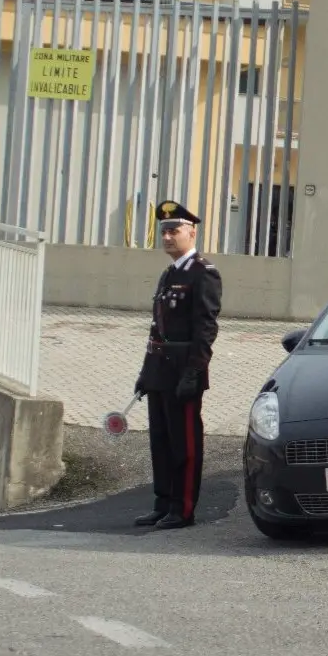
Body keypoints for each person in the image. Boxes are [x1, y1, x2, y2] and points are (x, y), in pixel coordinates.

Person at [132, 200, 222, 529]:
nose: (167, 237)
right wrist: (145, 372)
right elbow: (157, 327)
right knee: (160, 440)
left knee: (184, 443)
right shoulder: (169, 274)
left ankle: (182, 508)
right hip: (160, 368)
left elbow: (206, 328)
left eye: (174, 230)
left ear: (191, 232)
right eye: (164, 231)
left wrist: (194, 372)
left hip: (184, 368)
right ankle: (162, 501)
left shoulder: (203, 273)